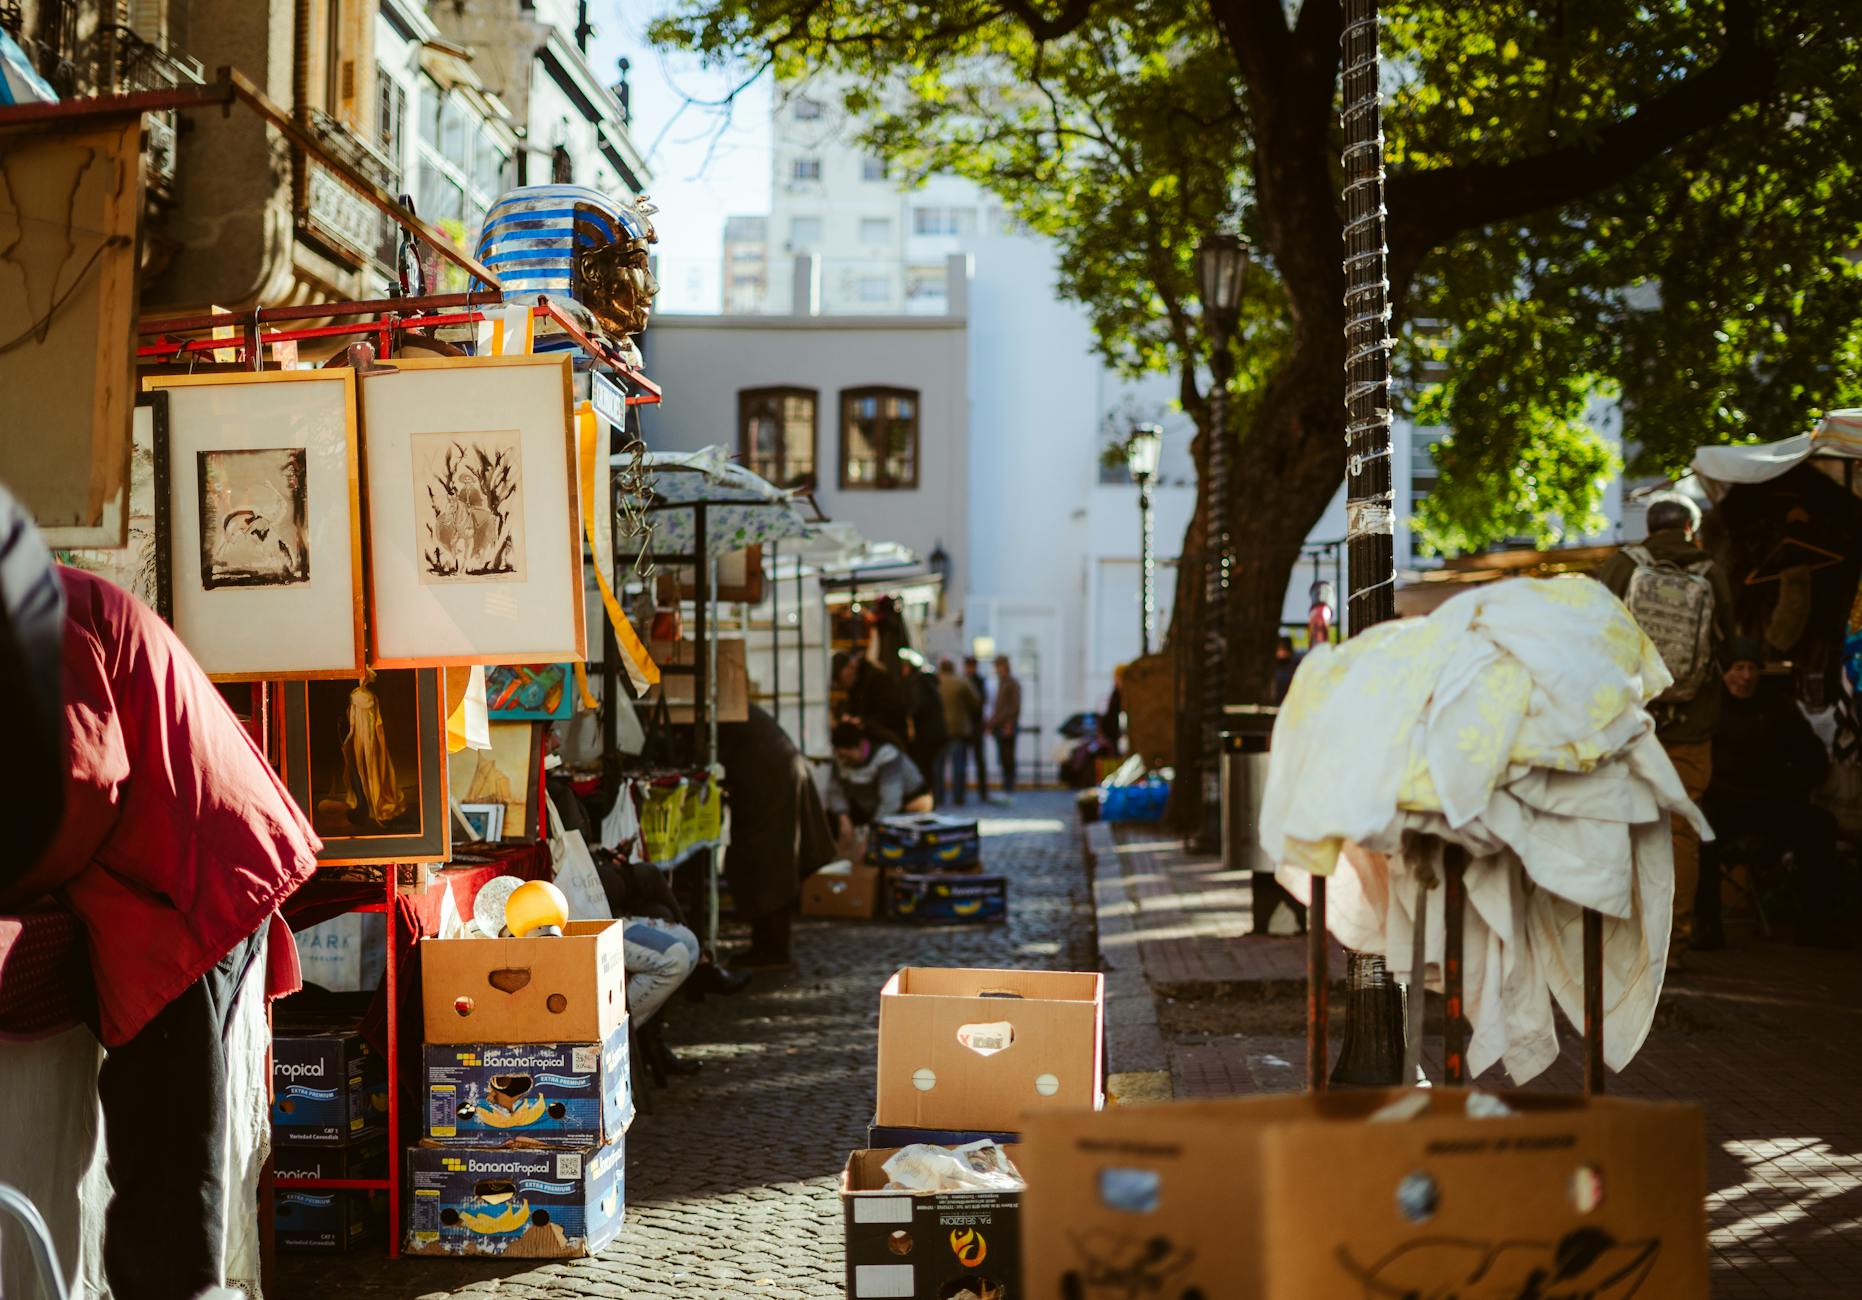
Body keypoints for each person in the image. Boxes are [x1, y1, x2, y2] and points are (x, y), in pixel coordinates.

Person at [4, 566, 318, 1300]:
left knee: (167, 1141)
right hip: (175, 866)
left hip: (183, 874)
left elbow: (82, 778)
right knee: (168, 1132)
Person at [1597, 490, 1735, 968]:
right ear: (1691, 530)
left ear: (1649, 529)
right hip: (1693, 723)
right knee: (1681, 830)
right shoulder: (1710, 571)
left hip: (1630, 721)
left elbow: (1593, 633)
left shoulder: (1620, 566)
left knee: (1624, 823)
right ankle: (1670, 941)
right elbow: (1728, 643)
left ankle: (1621, 938)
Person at [1697, 637, 1842, 949]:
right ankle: (1705, 926)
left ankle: (1817, 926)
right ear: (1725, 671)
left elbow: (1813, 757)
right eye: (1739, 668)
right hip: (1724, 805)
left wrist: (1789, 788)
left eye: (1752, 669)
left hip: (1772, 804)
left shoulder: (1778, 706)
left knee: (1819, 824)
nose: (1746, 676)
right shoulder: (1710, 708)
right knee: (1697, 832)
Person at [717, 703, 838, 969]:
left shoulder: (724, 709)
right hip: (768, 781)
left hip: (770, 786)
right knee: (768, 863)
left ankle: (772, 950)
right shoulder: (729, 708)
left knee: (769, 864)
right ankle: (768, 945)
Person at [822, 719, 931, 850]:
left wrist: (872, 831)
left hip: (907, 803)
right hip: (872, 805)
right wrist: (842, 817)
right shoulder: (840, 759)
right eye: (839, 756)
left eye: (847, 756)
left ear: (860, 746)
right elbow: (834, 790)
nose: (843, 761)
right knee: (830, 818)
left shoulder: (886, 756)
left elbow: (890, 801)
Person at [832, 648, 910, 743]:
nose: (839, 685)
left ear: (849, 667)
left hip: (889, 741)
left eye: (838, 678)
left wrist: (863, 722)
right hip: (876, 740)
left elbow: (892, 713)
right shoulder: (857, 684)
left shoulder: (877, 679)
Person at [937, 658, 981, 806]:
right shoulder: (961, 682)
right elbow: (976, 702)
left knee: (939, 766)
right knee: (958, 765)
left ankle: (939, 796)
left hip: (940, 729)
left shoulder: (935, 682)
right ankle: (958, 797)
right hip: (958, 728)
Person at [906, 661, 950, 805]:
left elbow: (919, 707)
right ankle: (936, 797)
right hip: (938, 733)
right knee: (935, 768)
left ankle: (930, 798)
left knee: (929, 768)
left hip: (928, 735)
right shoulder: (929, 682)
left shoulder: (917, 683)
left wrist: (909, 716)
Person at [988, 654, 1024, 797]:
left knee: (1008, 756)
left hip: (1007, 724)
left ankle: (1009, 785)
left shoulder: (1011, 683)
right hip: (1000, 724)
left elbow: (1014, 706)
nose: (997, 669)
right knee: (1003, 756)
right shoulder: (1002, 682)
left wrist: (1009, 723)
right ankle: (1006, 784)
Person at [963, 654, 991, 801]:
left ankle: (964, 794)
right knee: (974, 761)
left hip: (971, 725)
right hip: (973, 725)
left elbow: (983, 702)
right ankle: (981, 793)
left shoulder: (966, 680)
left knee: (968, 761)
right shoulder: (976, 681)